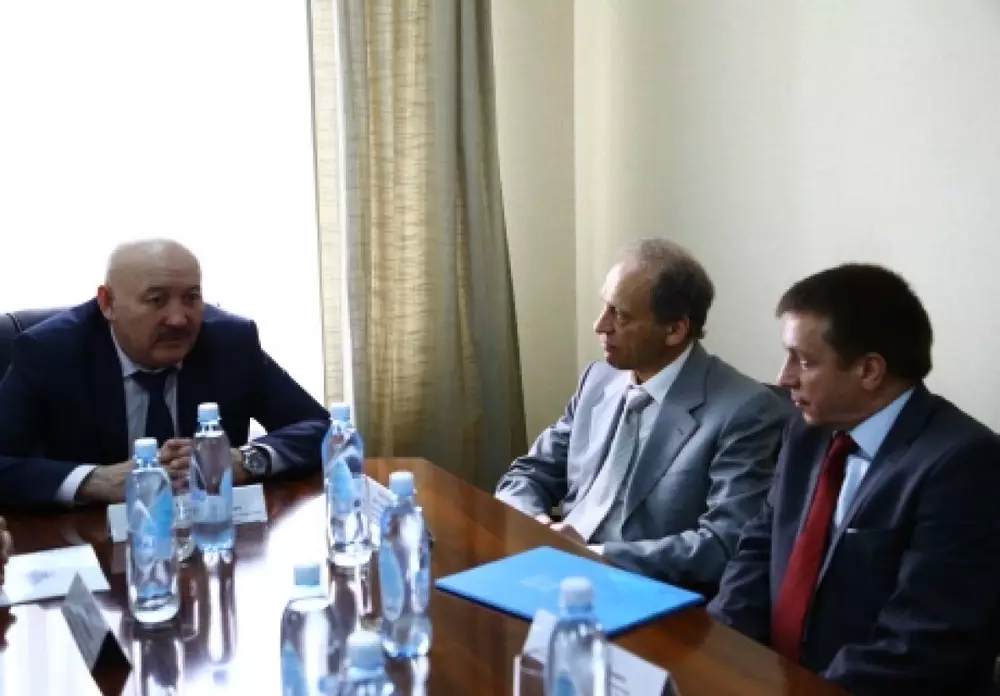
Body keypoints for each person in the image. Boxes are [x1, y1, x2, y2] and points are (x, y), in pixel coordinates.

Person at [708, 264, 1000, 696]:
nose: (784, 377)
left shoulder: (963, 464)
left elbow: (923, 641)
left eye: (804, 360)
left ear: (869, 371)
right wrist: (721, 654)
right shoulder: (806, 430)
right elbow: (761, 546)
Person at [495, 239, 791, 589]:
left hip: (642, 588)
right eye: (604, 306)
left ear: (675, 330)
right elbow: (528, 473)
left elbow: (723, 544)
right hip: (557, 570)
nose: (600, 325)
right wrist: (534, 525)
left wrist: (594, 555)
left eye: (620, 315)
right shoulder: (598, 379)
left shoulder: (744, 410)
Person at [0, 239, 330, 508]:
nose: (179, 319)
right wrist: (95, 481)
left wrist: (246, 461)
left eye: (191, 298)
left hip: (211, 534)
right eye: (156, 300)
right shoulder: (50, 352)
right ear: (108, 303)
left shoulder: (230, 342)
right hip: (91, 542)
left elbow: (322, 428)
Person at [0, 516, 10, 585]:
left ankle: (1, 577)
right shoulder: (6, 535)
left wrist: (5, 552)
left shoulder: (5, 536)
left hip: (2, 555)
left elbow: (7, 544)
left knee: (1, 567)